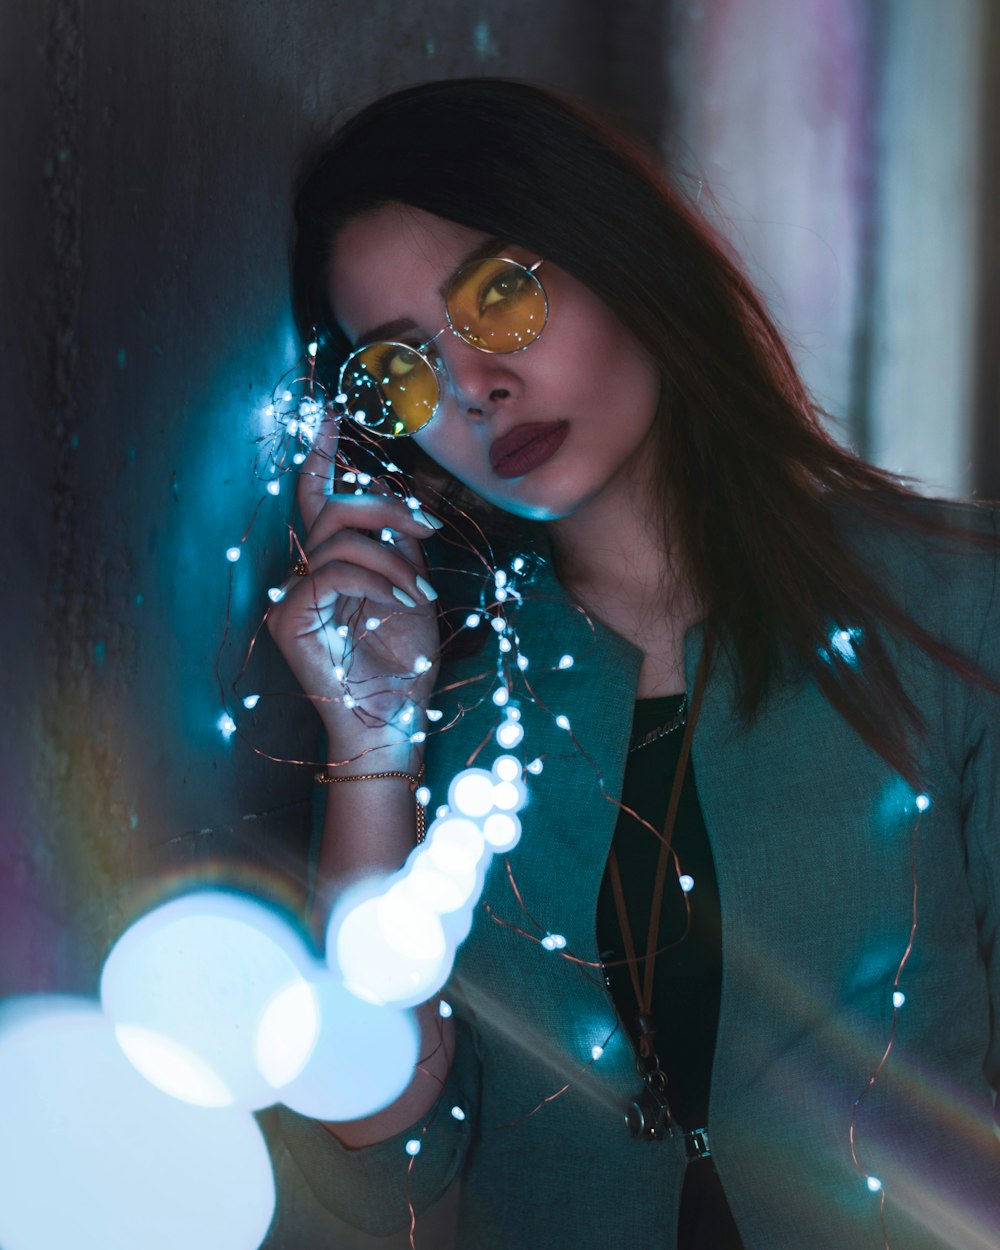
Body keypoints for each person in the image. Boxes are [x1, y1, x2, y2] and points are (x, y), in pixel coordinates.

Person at [267, 78, 1000, 1250]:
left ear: (617, 250)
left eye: (500, 293)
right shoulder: (459, 703)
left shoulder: (953, 606)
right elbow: (381, 1149)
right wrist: (370, 744)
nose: (469, 385)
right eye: (401, 368)